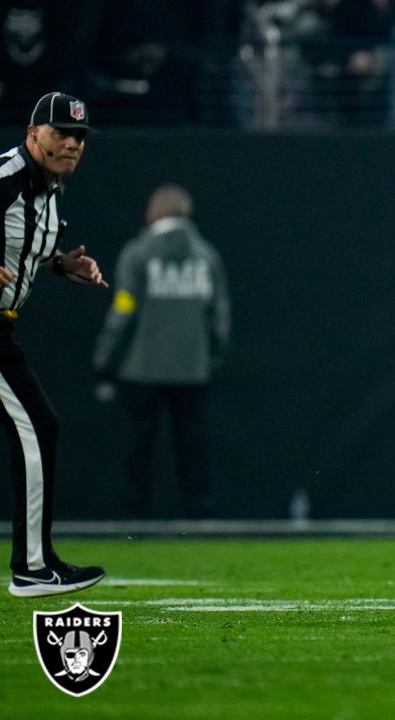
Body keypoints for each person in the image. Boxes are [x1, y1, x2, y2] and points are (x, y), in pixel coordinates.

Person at [0, 91, 109, 597]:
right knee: (37, 424)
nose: (71, 143)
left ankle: (36, 562)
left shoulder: (47, 187)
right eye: (61, 132)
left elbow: (21, 244)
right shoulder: (2, 177)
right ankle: (32, 568)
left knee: (38, 424)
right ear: (32, 133)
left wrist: (60, 264)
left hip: (0, 326)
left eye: (79, 136)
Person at [92, 184, 231, 519]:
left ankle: (133, 518)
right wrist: (211, 358)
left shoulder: (138, 254)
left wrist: (105, 358)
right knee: (194, 448)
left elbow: (123, 310)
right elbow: (219, 316)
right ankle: (201, 517)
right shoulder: (207, 257)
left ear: (152, 213)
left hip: (141, 369)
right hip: (193, 370)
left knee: (138, 447)